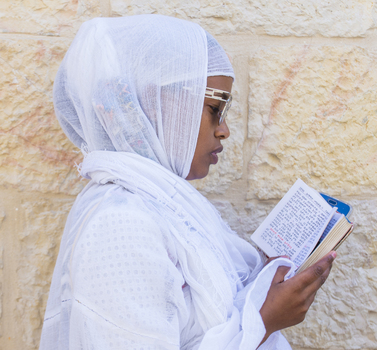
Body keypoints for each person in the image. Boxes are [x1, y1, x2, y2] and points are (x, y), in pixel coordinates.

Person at [39, 14, 335, 350]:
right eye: (214, 109)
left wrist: (266, 289)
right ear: (157, 106)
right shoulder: (120, 223)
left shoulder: (168, 206)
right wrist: (263, 322)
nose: (224, 129)